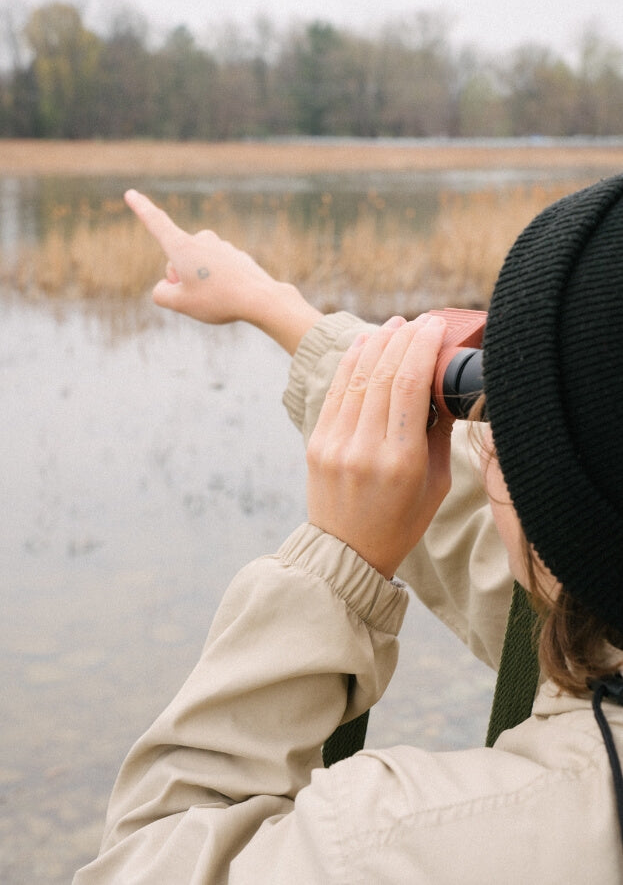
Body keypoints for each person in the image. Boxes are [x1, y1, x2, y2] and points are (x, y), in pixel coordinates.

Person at [74, 176, 623, 883]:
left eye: (503, 430)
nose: (485, 444)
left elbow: (145, 863)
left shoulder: (397, 846)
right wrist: (273, 307)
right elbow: (540, 554)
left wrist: (336, 565)